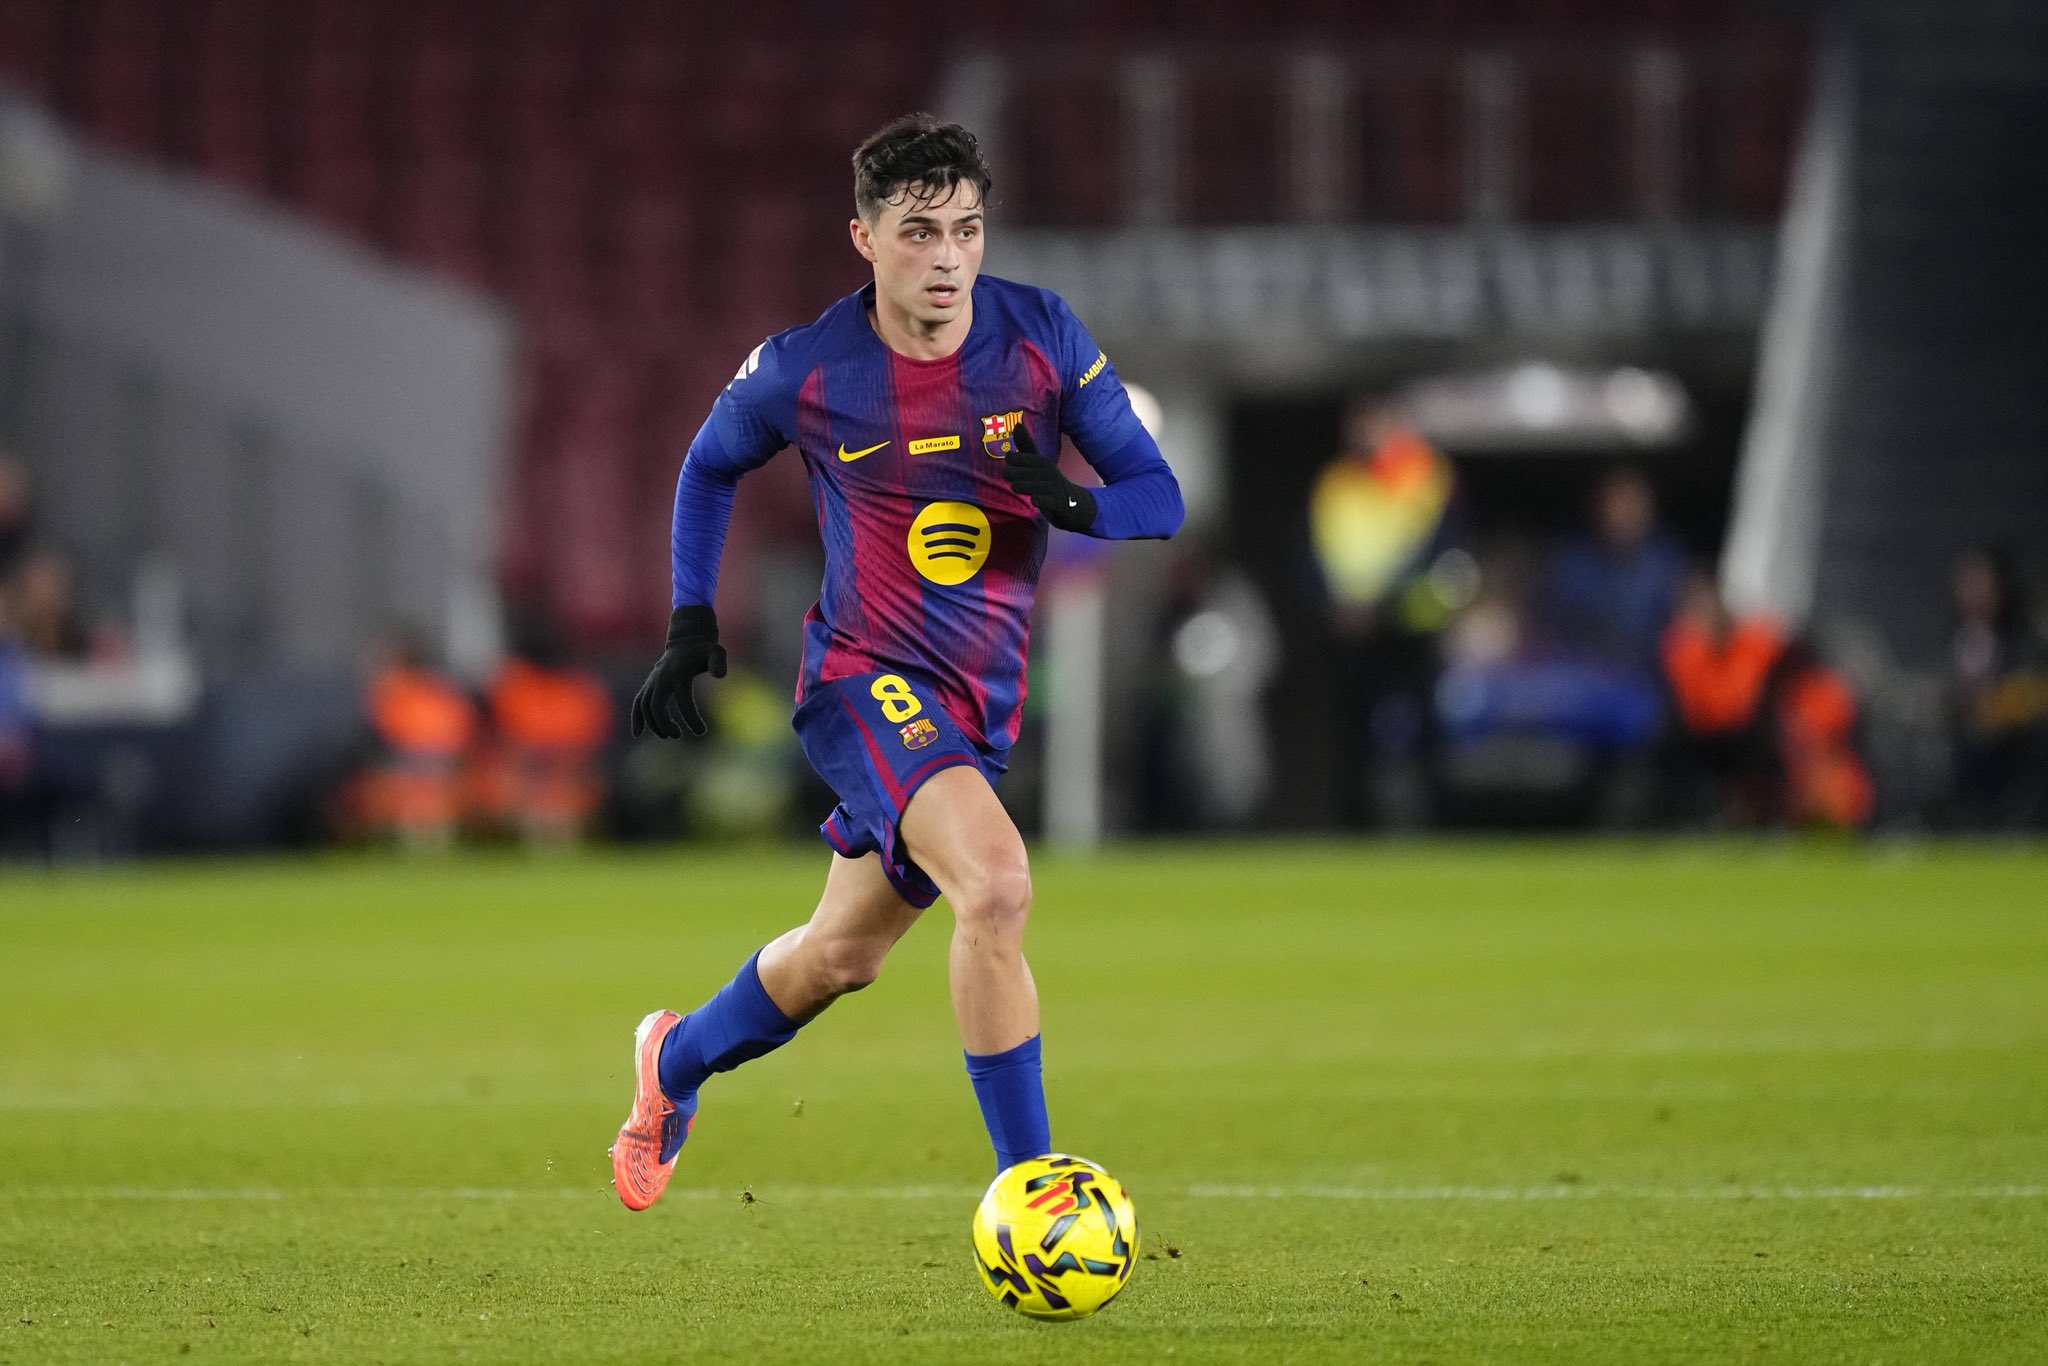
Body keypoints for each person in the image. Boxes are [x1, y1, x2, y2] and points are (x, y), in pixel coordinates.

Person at [610, 115, 1183, 1210]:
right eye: (919, 232)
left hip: (976, 705)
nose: (948, 257)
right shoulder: (809, 367)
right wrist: (690, 619)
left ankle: (672, 1058)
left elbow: (1158, 497)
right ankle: (1031, 1191)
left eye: (966, 229)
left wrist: (1071, 502)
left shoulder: (1041, 336)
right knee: (997, 885)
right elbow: (708, 465)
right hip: (862, 679)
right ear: (865, 238)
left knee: (841, 956)